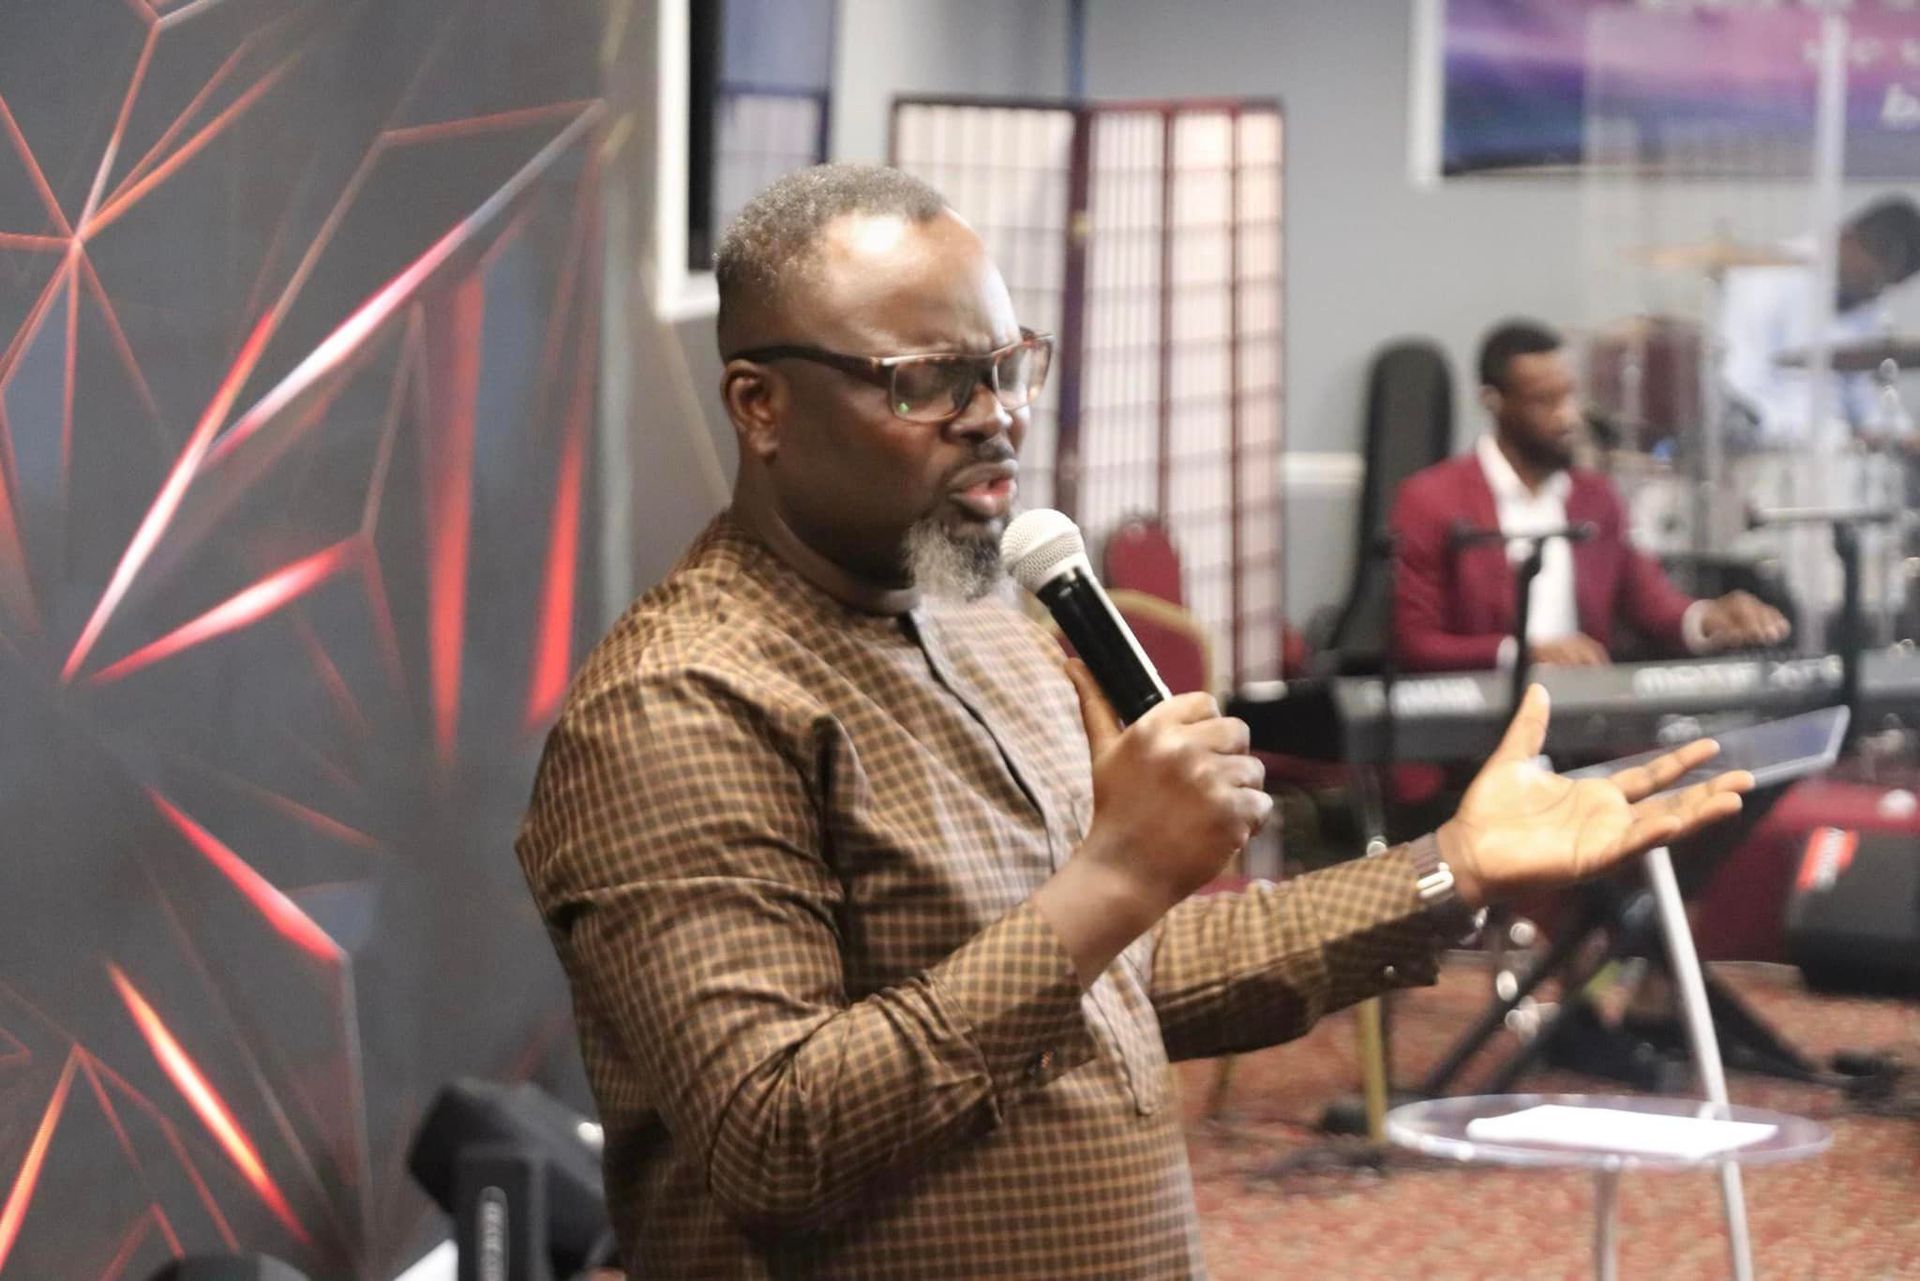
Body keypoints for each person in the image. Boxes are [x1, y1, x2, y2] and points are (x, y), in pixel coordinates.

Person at [516, 165, 1751, 1279]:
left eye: (1008, 366)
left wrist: (1449, 872)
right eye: (927, 380)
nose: (994, 414)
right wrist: (1117, 874)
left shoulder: (989, 624)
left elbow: (1120, 981)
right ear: (761, 406)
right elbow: (776, 1138)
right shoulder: (683, 704)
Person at [1389, 319, 1790, 674]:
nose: (1568, 417)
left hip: (1580, 727)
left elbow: (1651, 602)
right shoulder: (1432, 499)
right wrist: (1526, 654)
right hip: (1473, 736)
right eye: (1545, 401)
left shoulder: (1594, 498)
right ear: (1494, 403)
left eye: (1570, 396)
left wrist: (1709, 619)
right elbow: (1415, 642)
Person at [1719, 195, 1920, 447]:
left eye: (1884, 286)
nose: (1875, 294)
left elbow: (1865, 394)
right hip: (1777, 457)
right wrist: (1836, 438)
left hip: (1840, 455)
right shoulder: (1766, 278)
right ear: (1847, 239)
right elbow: (1743, 395)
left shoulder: (1864, 297)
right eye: (1872, 280)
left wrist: (1901, 434)